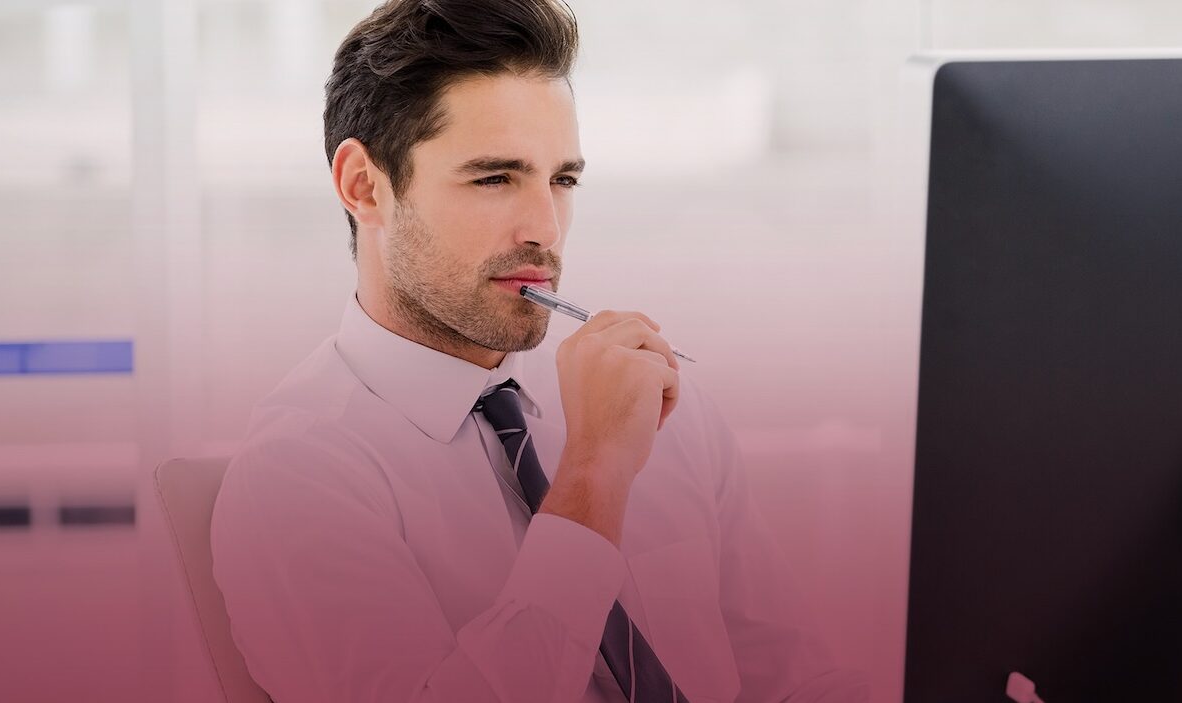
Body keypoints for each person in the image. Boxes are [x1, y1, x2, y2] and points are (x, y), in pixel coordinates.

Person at [208, 1, 867, 701]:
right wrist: (594, 476)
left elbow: (799, 678)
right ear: (364, 187)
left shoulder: (652, 401)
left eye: (563, 179)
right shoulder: (298, 475)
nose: (546, 229)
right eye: (495, 178)